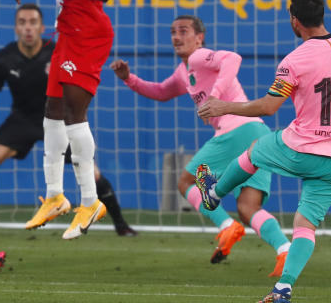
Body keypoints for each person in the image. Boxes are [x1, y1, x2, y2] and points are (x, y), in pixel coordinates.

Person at [194, 0, 331, 303]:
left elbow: (268, 107)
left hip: (301, 147)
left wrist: (225, 106)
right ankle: (284, 288)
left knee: (254, 151)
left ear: (295, 21)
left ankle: (214, 195)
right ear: (322, 15)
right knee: (305, 225)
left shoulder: (295, 59)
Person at [111, 15, 289, 268]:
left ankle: (227, 226)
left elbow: (232, 58)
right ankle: (285, 249)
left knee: (186, 181)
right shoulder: (184, 72)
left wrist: (214, 97)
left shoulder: (198, 57)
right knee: (248, 207)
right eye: (173, 32)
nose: (176, 37)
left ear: (199, 38)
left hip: (236, 130)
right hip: (257, 133)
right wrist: (130, 78)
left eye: (183, 31)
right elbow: (161, 92)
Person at [0, 3, 136, 236]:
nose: (28, 28)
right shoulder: (5, 58)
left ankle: (120, 223)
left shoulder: (57, 53)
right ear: (16, 28)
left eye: (32, 22)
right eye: (22, 23)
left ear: (42, 27)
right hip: (23, 118)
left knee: (92, 171)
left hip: (58, 120)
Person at [13, 0, 114, 239]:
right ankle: (55, 196)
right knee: (52, 113)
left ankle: (90, 201)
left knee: (74, 114)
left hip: (88, 34)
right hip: (67, 32)